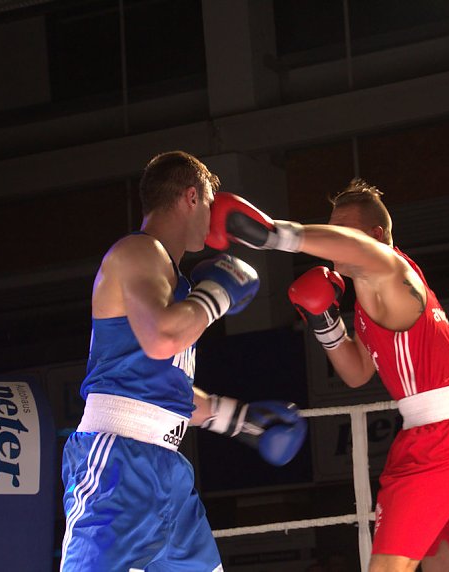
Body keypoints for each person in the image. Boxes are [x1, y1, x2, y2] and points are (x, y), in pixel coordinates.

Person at [205, 179, 449, 572]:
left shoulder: (392, 267)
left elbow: (358, 248)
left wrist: (272, 234)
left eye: (342, 230)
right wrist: (324, 321)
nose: (335, 240)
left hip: (444, 438)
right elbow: (358, 372)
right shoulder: (371, 298)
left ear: (376, 236)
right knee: (443, 568)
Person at [59, 151, 307, 572]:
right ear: (192, 196)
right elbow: (162, 338)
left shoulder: (176, 284)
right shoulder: (137, 252)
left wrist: (237, 418)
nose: (214, 221)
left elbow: (162, 383)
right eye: (210, 203)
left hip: (168, 468)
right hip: (117, 464)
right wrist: (220, 293)